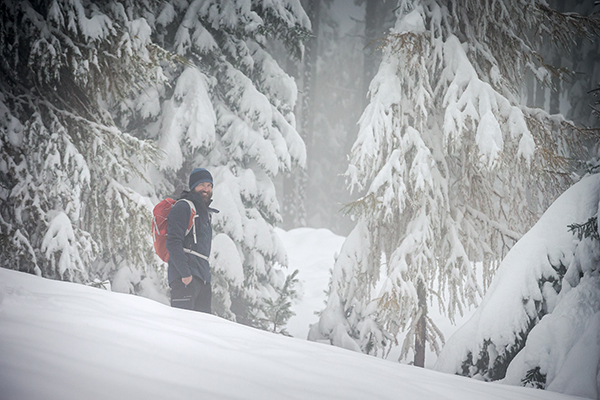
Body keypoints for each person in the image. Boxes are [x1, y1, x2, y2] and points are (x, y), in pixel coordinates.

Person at [166, 168, 218, 313]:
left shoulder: (205, 214)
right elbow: (173, 242)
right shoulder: (183, 207)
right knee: (182, 328)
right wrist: (185, 274)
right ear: (193, 186)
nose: (206, 189)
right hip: (185, 279)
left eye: (209, 186)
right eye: (202, 185)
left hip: (202, 279)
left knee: (201, 330)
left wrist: (206, 280)